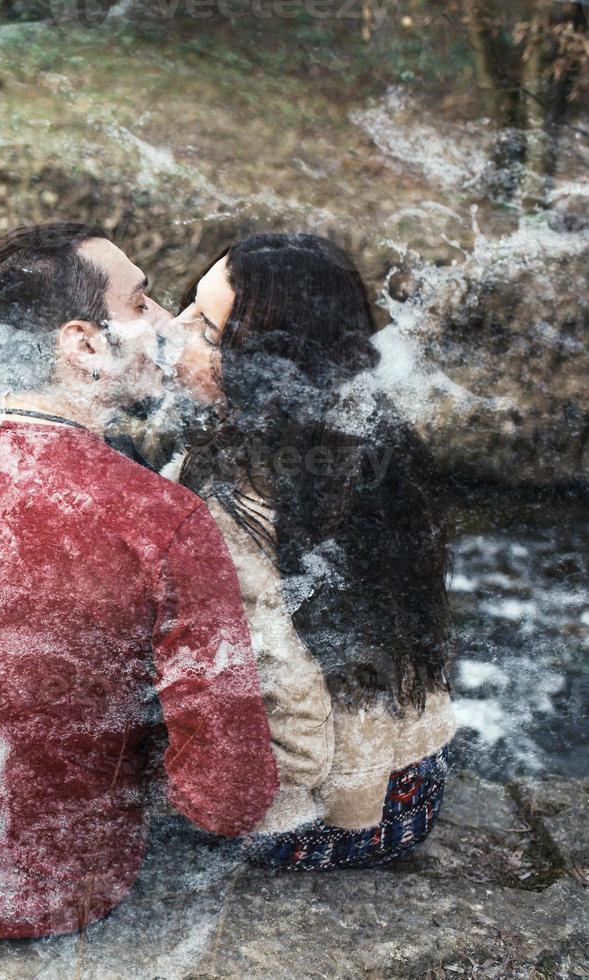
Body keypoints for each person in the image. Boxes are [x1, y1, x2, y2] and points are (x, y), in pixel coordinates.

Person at [0, 223, 279, 940]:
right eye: (142, 302)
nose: (166, 323)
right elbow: (229, 798)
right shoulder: (164, 521)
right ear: (83, 344)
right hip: (56, 893)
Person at [157, 233, 455, 870]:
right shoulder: (369, 433)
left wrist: (262, 816)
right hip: (420, 775)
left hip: (339, 815)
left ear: (270, 362)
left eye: (207, 330)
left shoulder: (233, 502)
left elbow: (286, 694)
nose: (172, 328)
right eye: (190, 305)